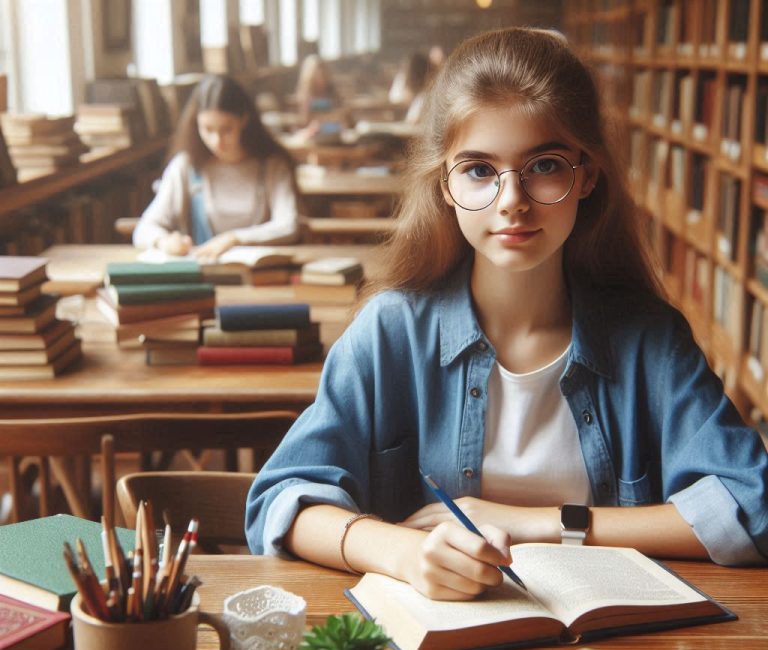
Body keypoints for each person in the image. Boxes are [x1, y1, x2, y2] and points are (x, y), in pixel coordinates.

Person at [245, 27, 768, 600]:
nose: (512, 199)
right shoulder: (388, 333)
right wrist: (403, 552)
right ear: (444, 185)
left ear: (587, 174)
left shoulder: (648, 339)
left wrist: (543, 522)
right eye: (478, 170)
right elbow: (282, 501)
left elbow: (753, 505)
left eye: (543, 165)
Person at [133, 74, 301, 262]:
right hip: (202, 276)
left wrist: (234, 239)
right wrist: (164, 241)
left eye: (226, 130)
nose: (217, 141)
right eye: (208, 129)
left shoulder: (271, 166)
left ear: (244, 120)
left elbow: (288, 225)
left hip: (260, 278)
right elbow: (144, 229)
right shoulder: (186, 166)